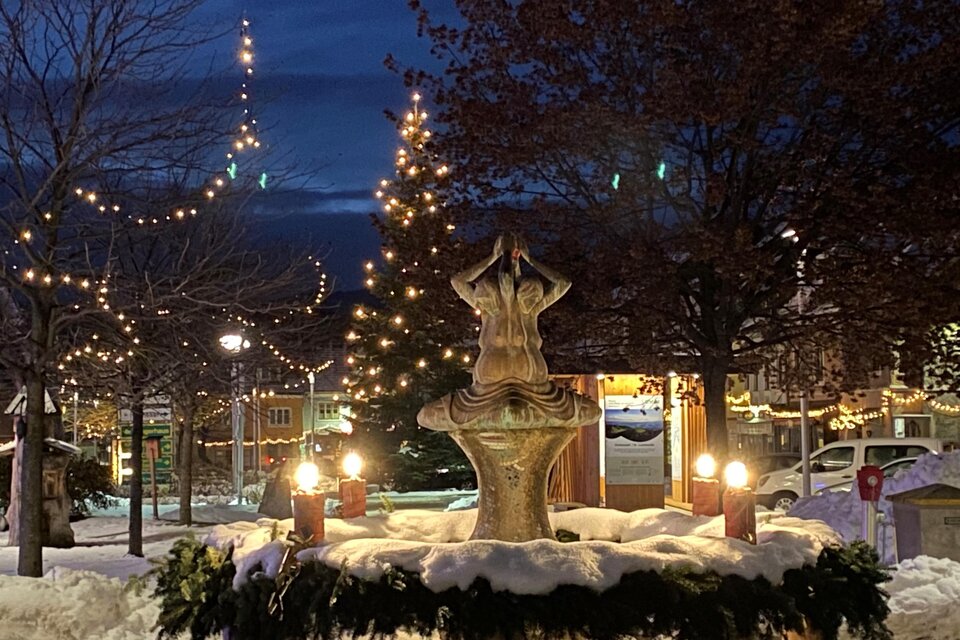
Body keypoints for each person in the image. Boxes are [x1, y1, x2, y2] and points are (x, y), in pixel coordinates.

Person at [450, 232, 570, 387]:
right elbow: (504, 277)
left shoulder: (529, 309)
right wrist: (500, 256)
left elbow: (564, 283)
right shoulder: (489, 308)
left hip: (531, 378)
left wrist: (518, 257)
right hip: (495, 378)